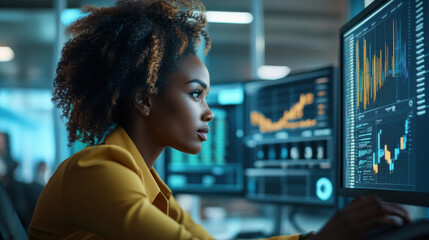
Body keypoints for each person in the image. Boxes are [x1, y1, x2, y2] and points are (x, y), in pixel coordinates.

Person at [29, 0, 410, 239]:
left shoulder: (144, 181)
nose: (208, 110)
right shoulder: (96, 171)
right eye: (196, 94)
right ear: (145, 99)